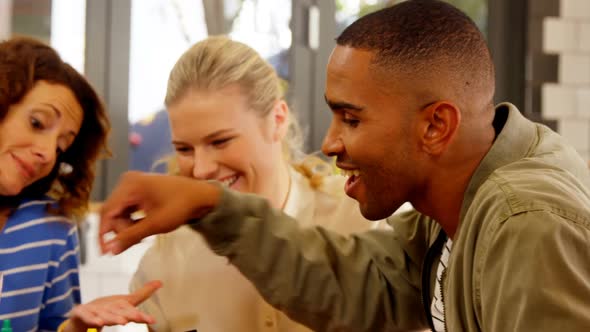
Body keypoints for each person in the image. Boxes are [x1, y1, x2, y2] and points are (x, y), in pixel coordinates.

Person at [98, 1, 590, 331]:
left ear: (436, 126)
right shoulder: (452, 206)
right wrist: (210, 205)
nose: (330, 143)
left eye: (351, 118)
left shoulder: (526, 222)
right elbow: (359, 285)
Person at [129, 36, 382, 332]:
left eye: (220, 141)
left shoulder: (365, 222)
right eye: (184, 149)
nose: (200, 170)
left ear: (277, 119)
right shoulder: (163, 265)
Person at [0, 37, 159, 332]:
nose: (47, 153)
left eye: (61, 146)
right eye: (37, 123)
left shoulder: (49, 229)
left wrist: (74, 328)